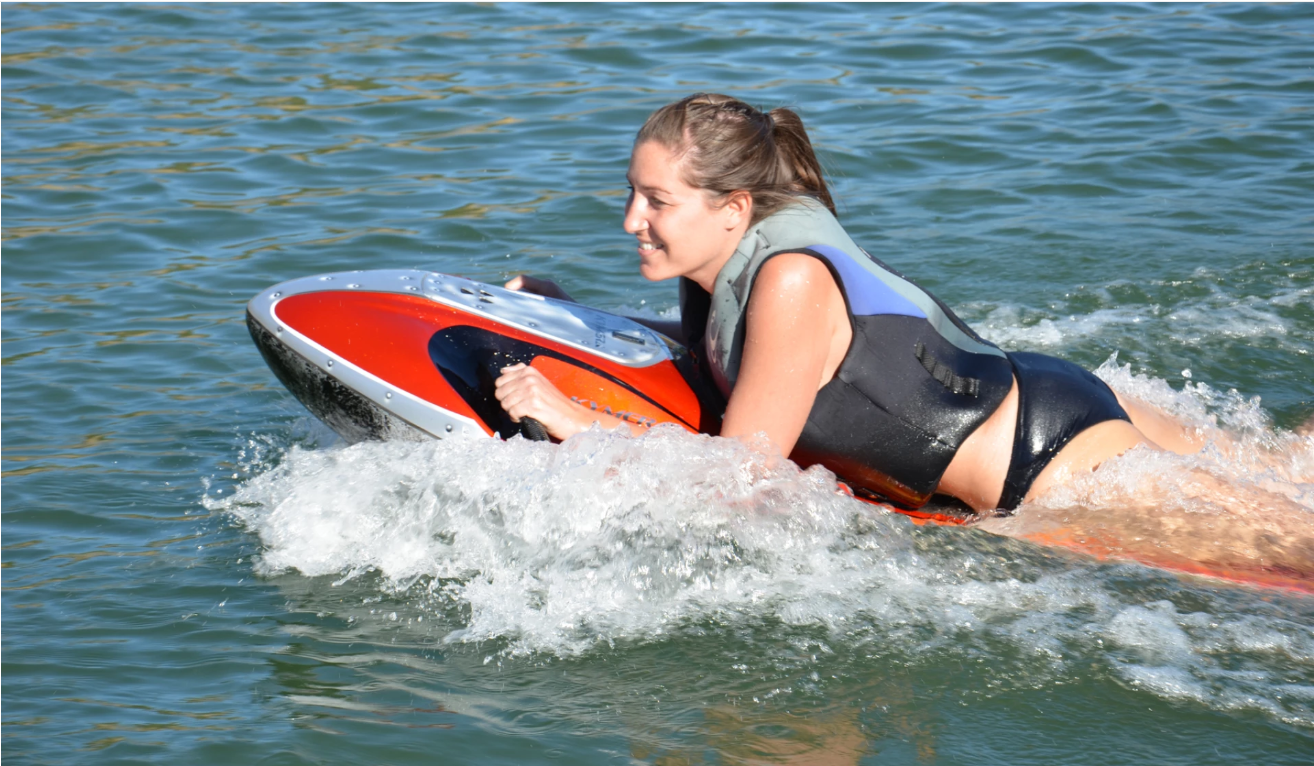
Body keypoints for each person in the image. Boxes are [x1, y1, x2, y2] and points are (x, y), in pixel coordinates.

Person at [493, 93, 1201, 515]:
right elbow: (750, 354)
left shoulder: (790, 280)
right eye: (632, 191)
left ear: (734, 208)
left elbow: (739, 474)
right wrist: (578, 314)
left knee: (1263, 563)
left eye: (657, 201)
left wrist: (577, 421)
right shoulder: (717, 260)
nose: (631, 220)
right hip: (1030, 392)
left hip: (1051, 461)